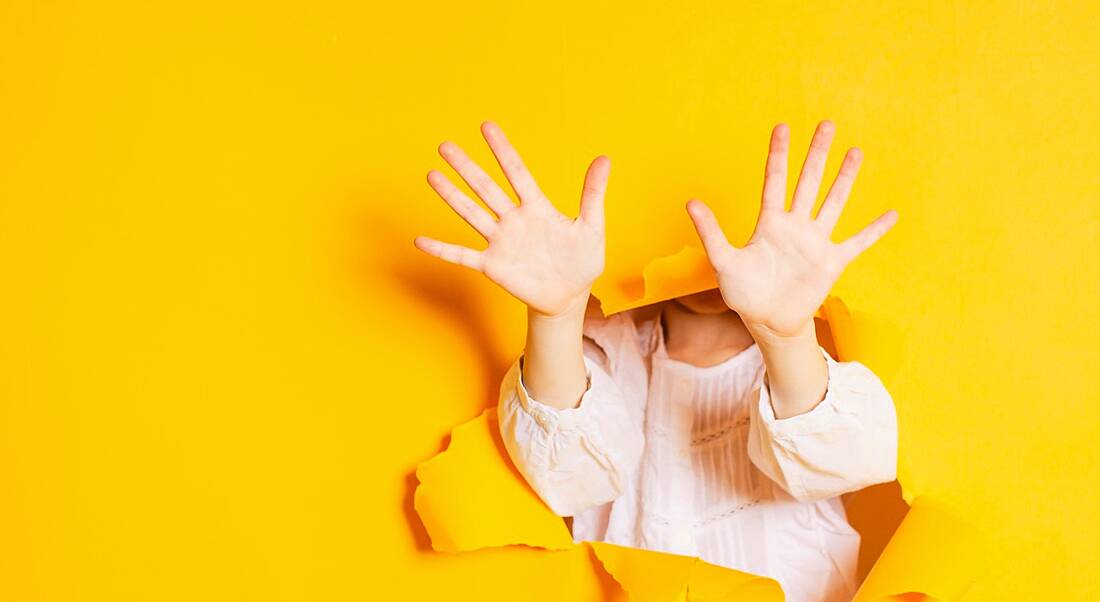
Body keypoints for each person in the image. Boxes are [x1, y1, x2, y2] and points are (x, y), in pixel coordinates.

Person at [414, 120, 899, 602]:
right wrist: (557, 316)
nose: (712, 257)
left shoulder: (813, 366)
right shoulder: (610, 355)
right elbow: (571, 475)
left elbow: (846, 459)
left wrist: (786, 336)